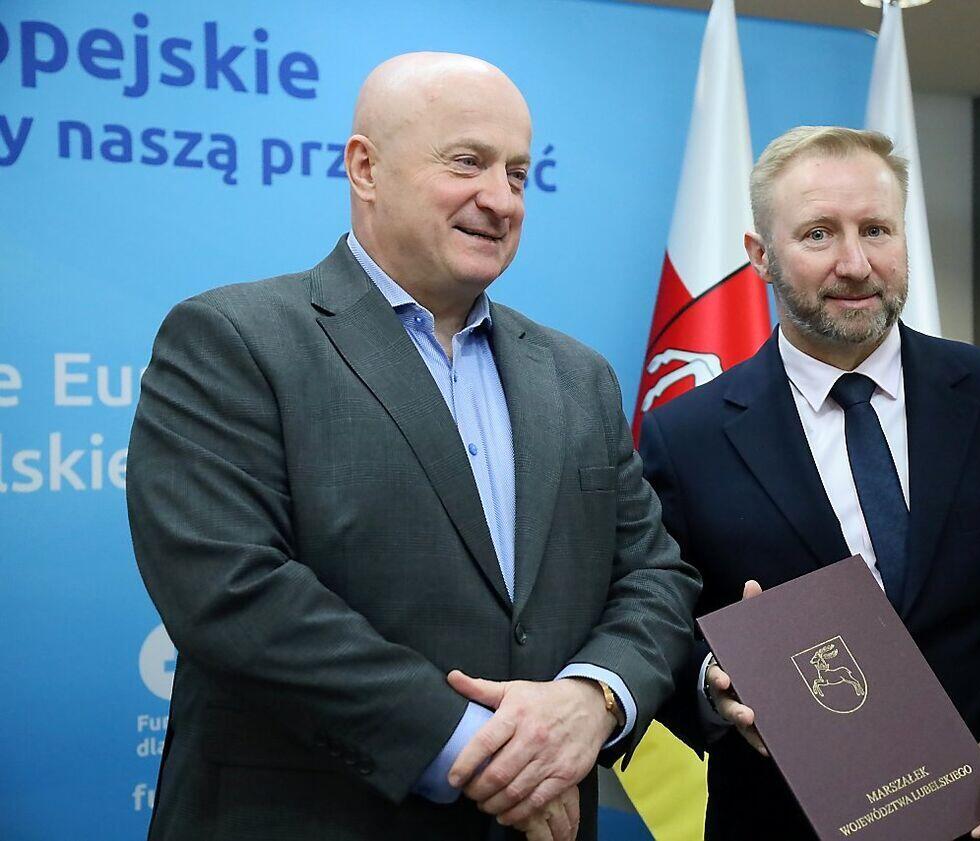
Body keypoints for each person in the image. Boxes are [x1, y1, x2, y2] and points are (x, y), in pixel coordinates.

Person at [126, 52, 699, 841]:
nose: (500, 199)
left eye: (518, 173)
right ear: (365, 168)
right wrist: (480, 751)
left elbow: (653, 575)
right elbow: (229, 588)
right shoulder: (232, 339)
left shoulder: (578, 375)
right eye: (467, 162)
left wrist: (593, 697)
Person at [640, 126, 980, 840]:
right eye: (818, 234)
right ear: (760, 255)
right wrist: (712, 686)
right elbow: (655, 629)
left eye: (876, 230)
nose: (855, 263)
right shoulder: (686, 437)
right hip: (783, 821)